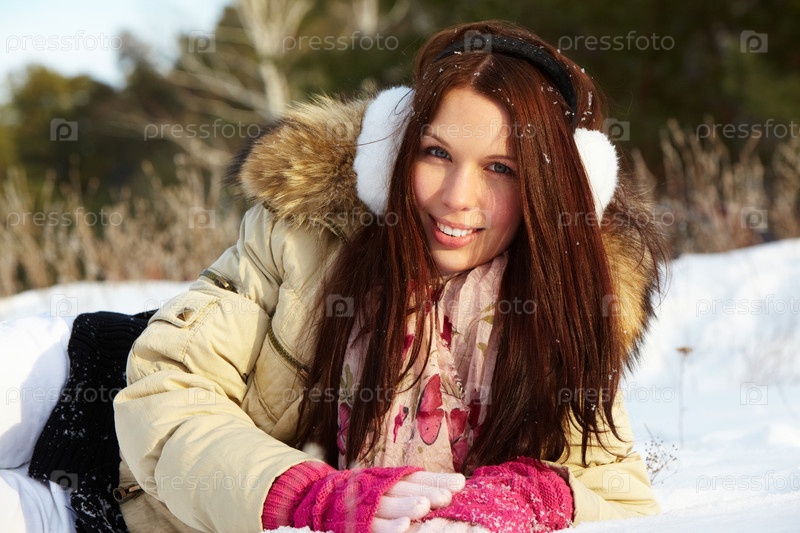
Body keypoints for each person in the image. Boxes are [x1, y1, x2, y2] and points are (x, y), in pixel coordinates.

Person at [1, 19, 665, 533]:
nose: (456, 197)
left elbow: (616, 489)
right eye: (436, 153)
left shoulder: (565, 306)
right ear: (394, 153)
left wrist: (532, 492)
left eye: (501, 168)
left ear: (553, 188)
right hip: (94, 396)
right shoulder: (302, 235)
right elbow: (169, 394)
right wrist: (311, 495)